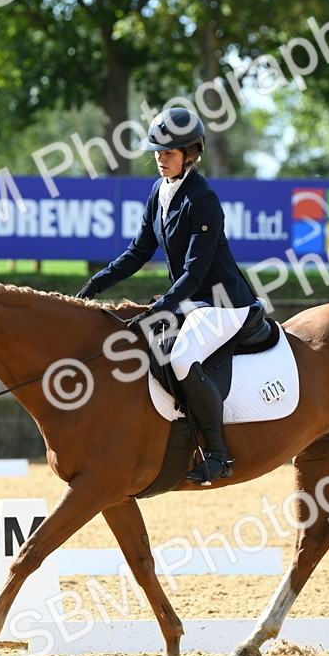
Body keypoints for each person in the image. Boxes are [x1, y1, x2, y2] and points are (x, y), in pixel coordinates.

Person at [76, 108, 260, 483]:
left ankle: (219, 455)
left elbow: (195, 271)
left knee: (179, 356)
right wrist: (97, 283)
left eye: (169, 152)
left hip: (225, 301)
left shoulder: (202, 199)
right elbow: (138, 251)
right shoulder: (159, 191)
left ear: (191, 153)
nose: (160, 158)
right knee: (148, 344)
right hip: (193, 301)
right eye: (157, 152)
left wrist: (162, 306)